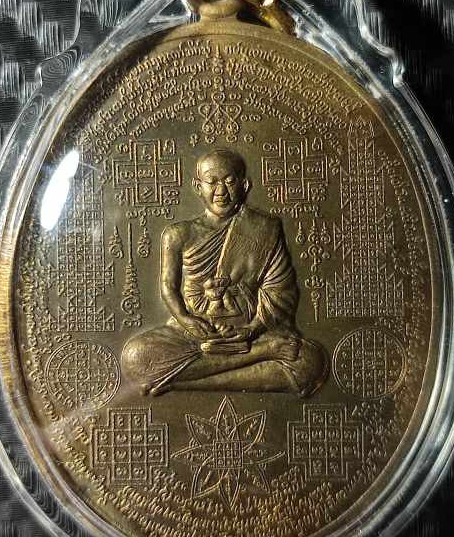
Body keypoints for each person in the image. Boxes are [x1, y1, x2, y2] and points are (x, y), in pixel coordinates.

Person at [120, 148, 328, 396]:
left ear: (244, 185)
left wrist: (252, 329)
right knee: (135, 357)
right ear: (198, 187)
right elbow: (168, 286)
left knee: (309, 361)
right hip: (194, 332)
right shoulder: (177, 234)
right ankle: (261, 354)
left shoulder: (264, 228)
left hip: (250, 330)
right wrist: (186, 319)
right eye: (212, 182)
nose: (221, 191)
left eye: (229, 182)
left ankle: (179, 383)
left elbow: (280, 292)